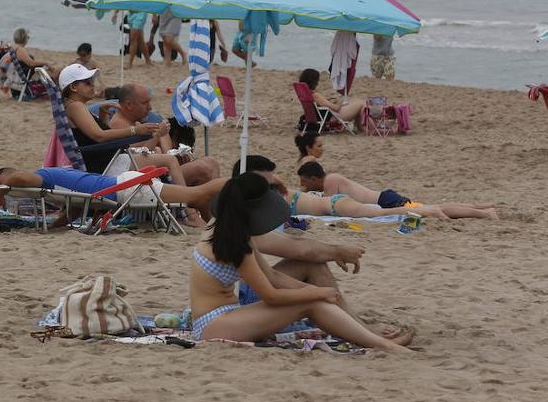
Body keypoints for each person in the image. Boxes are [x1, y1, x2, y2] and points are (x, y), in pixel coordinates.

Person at [188, 170, 412, 351]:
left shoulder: (226, 226)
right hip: (213, 325)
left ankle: (364, 333)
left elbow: (273, 275)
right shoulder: (236, 242)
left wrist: (319, 291)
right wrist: (317, 293)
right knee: (311, 303)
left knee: (314, 296)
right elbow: (271, 295)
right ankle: (383, 345)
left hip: (226, 313)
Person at [60, 65, 209, 196]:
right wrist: (135, 130)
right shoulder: (75, 106)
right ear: (73, 87)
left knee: (162, 158)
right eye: (87, 83)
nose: (92, 86)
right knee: (169, 160)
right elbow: (99, 136)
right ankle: (188, 210)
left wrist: (103, 116)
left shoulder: (76, 107)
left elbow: (94, 137)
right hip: (108, 165)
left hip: (108, 160)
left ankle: (185, 205)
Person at [293, 135, 496, 218]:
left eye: (305, 183)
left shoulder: (331, 182)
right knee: (432, 206)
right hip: (386, 197)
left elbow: (329, 209)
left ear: (313, 178)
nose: (304, 187)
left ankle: (484, 214)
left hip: (387, 201)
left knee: (432, 209)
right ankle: (481, 208)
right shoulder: (332, 178)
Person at [0, 165, 226, 229]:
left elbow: (18, 178)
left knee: (199, 193)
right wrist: (56, 225)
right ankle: (216, 226)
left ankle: (249, 182)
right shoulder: (56, 185)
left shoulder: (42, 177)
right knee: (198, 198)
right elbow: (76, 207)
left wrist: (1, 192)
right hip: (126, 187)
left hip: (128, 188)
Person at [105, 83, 220, 186]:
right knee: (203, 169)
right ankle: (189, 207)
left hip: (163, 173)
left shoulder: (135, 123)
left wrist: (174, 152)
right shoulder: (119, 125)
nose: (150, 107)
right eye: (145, 103)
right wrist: (157, 135)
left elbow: (167, 153)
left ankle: (216, 207)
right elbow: (136, 161)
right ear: (129, 105)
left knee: (212, 162)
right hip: (149, 180)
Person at [117, 0, 153, 67]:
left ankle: (130, 63)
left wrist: (155, 14)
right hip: (131, 13)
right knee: (140, 39)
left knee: (133, 38)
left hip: (141, 13)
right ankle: (148, 61)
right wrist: (116, 11)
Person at [299, 68, 364, 123]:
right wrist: (340, 104)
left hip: (320, 117)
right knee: (361, 103)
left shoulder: (305, 94)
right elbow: (336, 108)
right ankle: (363, 128)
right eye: (316, 81)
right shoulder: (315, 96)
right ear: (312, 82)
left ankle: (361, 128)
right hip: (332, 118)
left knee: (356, 101)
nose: (317, 84)